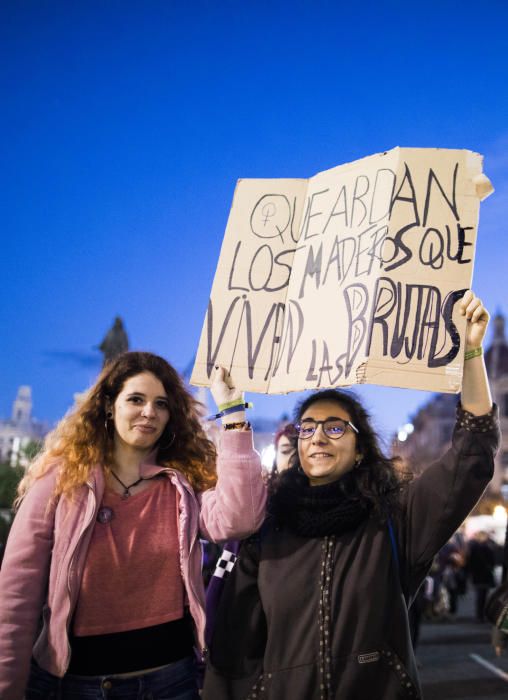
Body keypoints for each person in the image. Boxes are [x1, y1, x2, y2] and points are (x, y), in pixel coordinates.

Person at [202, 290, 500, 700]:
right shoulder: (269, 527)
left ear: (360, 449)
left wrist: (470, 353)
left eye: (335, 427)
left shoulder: (396, 518)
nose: (318, 436)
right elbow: (233, 651)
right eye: (307, 427)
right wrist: (233, 406)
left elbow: (472, 455)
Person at [0, 352, 266, 699]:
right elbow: (17, 592)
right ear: (109, 406)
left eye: (161, 404)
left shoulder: (182, 485)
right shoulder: (61, 482)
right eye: (136, 399)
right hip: (76, 685)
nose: (149, 412)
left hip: (170, 682)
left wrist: (233, 412)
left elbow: (240, 518)